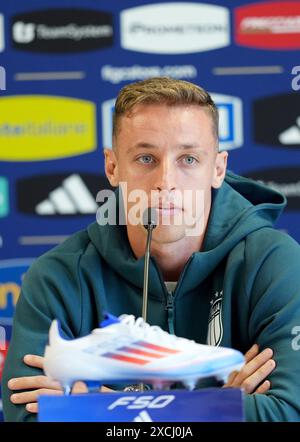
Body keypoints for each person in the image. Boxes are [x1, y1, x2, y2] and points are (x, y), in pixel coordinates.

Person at [2, 77, 300, 422]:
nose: (165, 182)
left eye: (188, 159)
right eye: (146, 158)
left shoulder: (274, 263)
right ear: (112, 167)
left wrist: (98, 406)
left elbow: (287, 412)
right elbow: (28, 417)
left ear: (217, 169)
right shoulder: (58, 277)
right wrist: (218, 404)